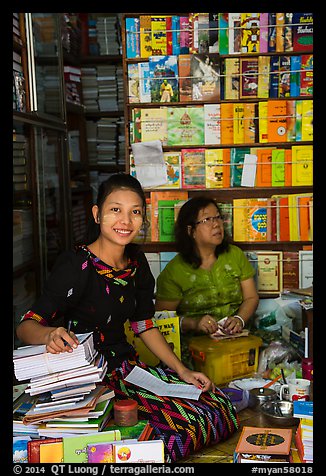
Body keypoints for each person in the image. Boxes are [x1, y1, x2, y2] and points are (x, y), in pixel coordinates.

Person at [16, 174, 239, 463]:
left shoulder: (136, 263)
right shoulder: (76, 265)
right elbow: (26, 325)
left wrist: (182, 371)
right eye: (115, 210)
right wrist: (49, 335)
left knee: (218, 405)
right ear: (97, 214)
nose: (125, 220)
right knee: (176, 431)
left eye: (135, 212)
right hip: (87, 378)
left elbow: (143, 323)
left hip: (126, 367)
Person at [155, 196, 259, 368]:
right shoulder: (174, 272)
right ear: (191, 231)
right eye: (207, 219)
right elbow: (162, 319)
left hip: (236, 339)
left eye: (218, 217)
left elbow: (251, 298)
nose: (216, 224)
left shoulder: (235, 255)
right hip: (196, 348)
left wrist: (239, 319)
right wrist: (195, 324)